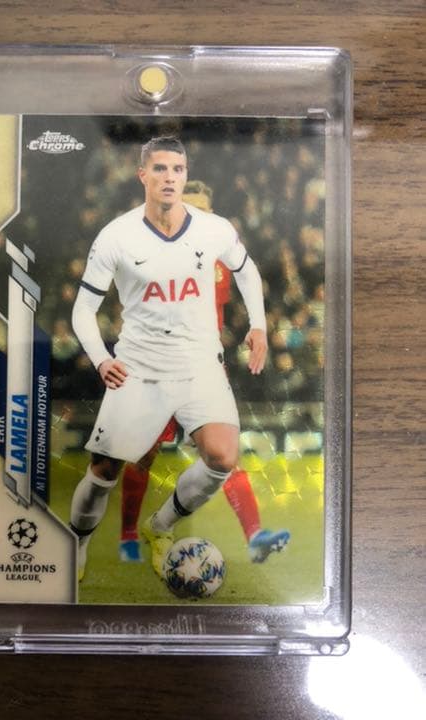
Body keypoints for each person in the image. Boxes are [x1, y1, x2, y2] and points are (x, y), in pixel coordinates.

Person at [70, 136, 274, 581]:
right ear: (142, 175)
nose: (169, 177)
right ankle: (77, 544)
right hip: (140, 368)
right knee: (104, 470)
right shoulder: (116, 236)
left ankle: (159, 527)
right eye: (160, 169)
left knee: (222, 456)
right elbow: (83, 309)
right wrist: (102, 359)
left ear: (186, 174)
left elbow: (247, 271)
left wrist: (258, 325)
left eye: (177, 169)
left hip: (200, 364)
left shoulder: (213, 228)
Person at [118, 180, 290, 565]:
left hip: (204, 368)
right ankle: (129, 534)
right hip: (157, 367)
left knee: (224, 455)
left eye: (204, 211)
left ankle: (255, 535)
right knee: (143, 454)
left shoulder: (218, 259)